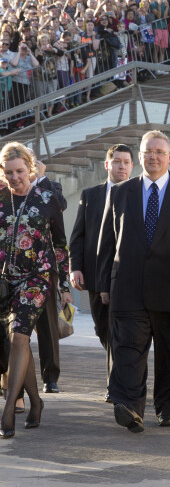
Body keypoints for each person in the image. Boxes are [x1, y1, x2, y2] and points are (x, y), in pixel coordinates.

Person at [96, 130, 170, 433]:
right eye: (148, 151)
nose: (154, 157)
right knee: (128, 349)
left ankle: (169, 408)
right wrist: (104, 285)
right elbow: (108, 241)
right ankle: (131, 408)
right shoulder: (121, 192)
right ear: (140, 156)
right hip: (130, 287)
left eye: (160, 152)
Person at [0, 143, 71, 438]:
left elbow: (60, 244)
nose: (16, 177)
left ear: (30, 169)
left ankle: (7, 413)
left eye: (20, 171)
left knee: (19, 338)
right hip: (5, 281)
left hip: (37, 278)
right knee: (19, 343)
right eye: (9, 172)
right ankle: (36, 402)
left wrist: (64, 286)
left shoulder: (47, 197)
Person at [69, 144, 134, 392]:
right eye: (117, 161)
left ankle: (116, 383)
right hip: (96, 275)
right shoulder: (90, 195)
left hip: (127, 277)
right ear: (107, 165)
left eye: (126, 162)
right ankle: (118, 374)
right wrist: (75, 268)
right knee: (103, 329)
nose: (122, 166)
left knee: (123, 333)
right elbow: (78, 236)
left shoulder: (137, 193)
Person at [32, 160, 67, 394]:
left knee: (47, 327)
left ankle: (50, 376)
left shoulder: (50, 188)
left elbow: (60, 241)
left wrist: (64, 284)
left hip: (44, 272)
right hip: (9, 272)